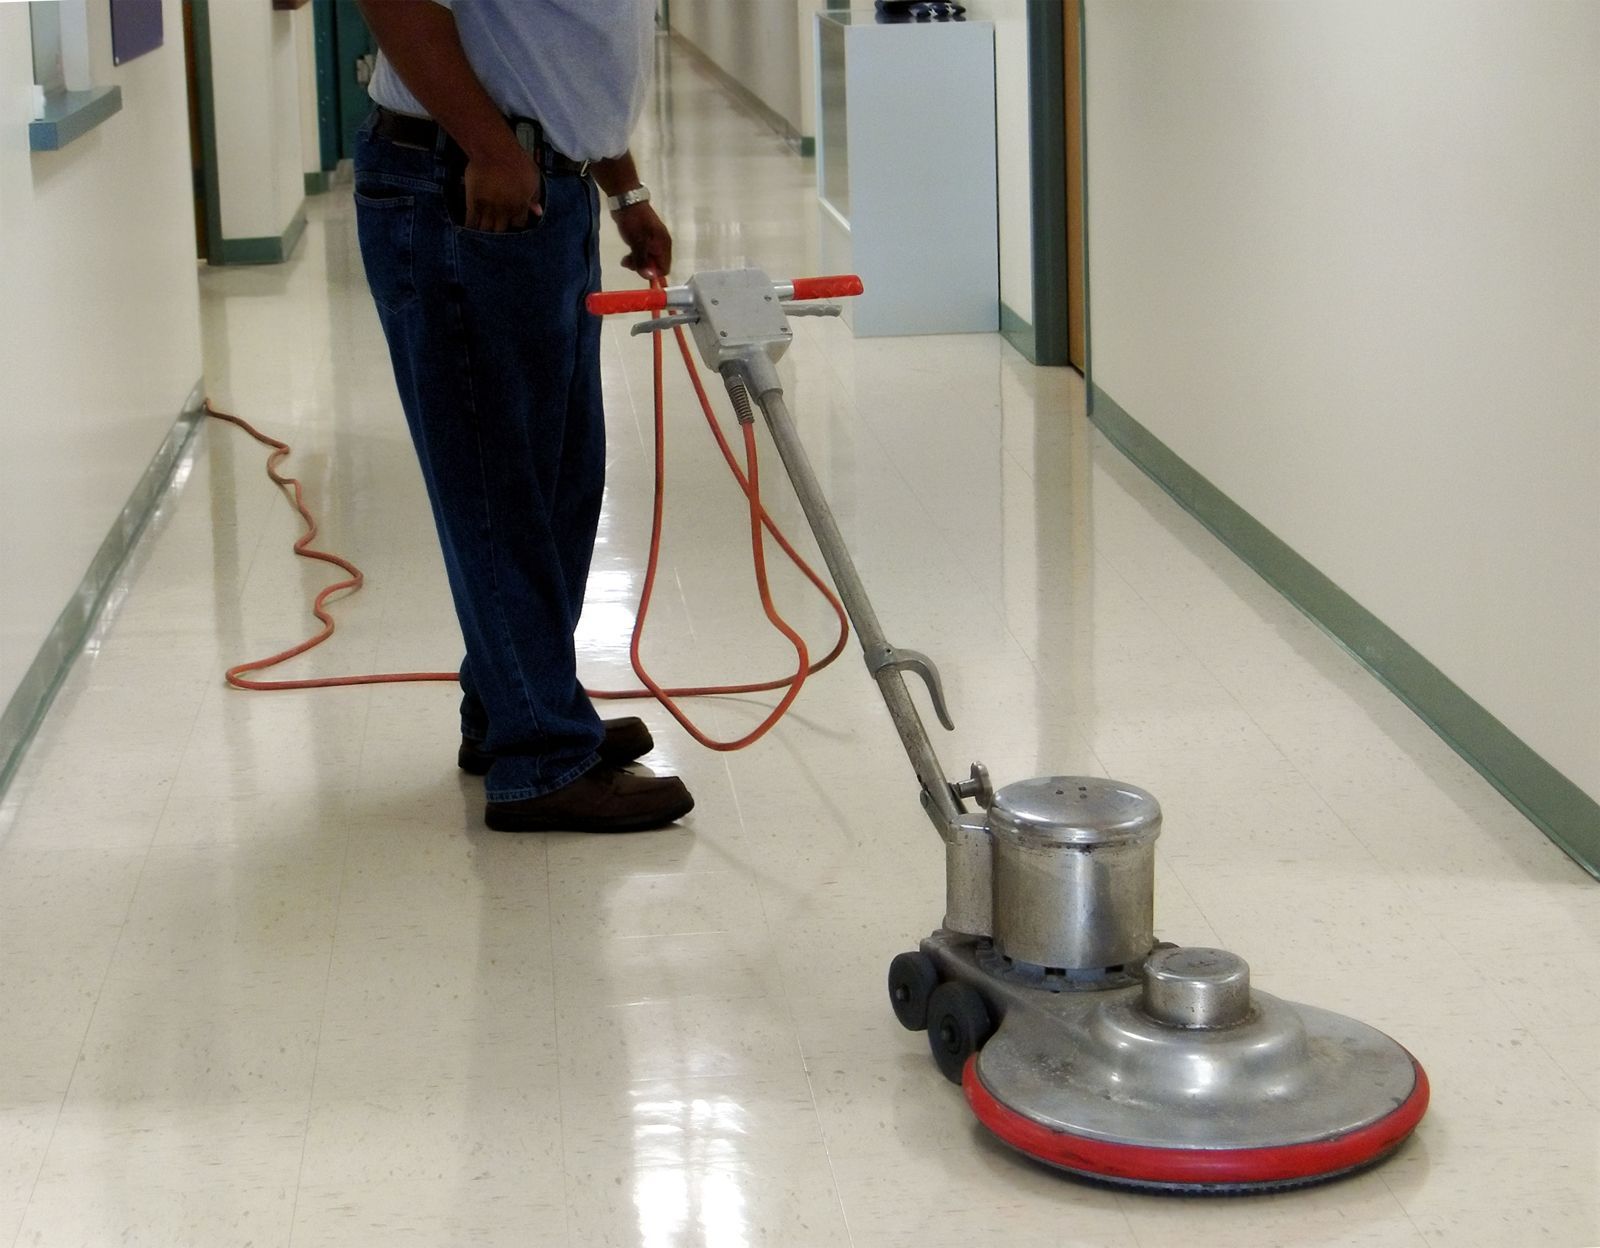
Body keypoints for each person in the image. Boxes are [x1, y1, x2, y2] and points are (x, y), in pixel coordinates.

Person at [353, 0, 694, 833]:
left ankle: (511, 705)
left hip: (542, 187)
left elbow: (559, 50)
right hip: (467, 185)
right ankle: (541, 756)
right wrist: (492, 148)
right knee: (498, 484)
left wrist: (623, 187)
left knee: (561, 478)